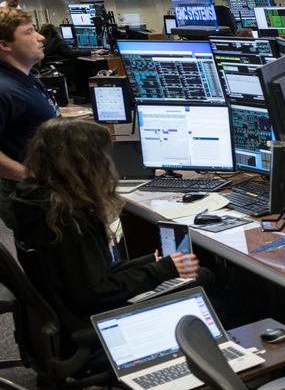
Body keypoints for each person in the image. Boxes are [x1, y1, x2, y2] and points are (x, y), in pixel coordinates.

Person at [10, 120, 201, 346]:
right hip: (91, 320)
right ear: (85, 163)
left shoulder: (35, 201)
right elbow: (95, 293)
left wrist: (151, 263)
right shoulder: (70, 219)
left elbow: (89, 274)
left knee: (185, 273)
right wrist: (161, 270)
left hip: (64, 313)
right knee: (206, 282)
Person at [0, 9, 59, 227]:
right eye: (29, 32)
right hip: (32, 200)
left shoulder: (26, 78)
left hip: (47, 192)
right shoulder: (4, 89)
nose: (41, 37)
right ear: (5, 45)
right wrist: (31, 175)